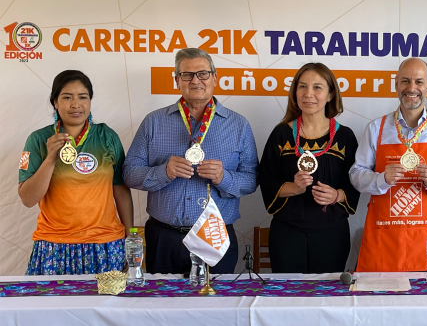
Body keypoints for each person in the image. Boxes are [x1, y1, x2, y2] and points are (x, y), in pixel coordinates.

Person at [124, 48, 258, 274]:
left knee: (215, 306)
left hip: (215, 233)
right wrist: (163, 172)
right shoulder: (153, 122)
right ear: (177, 80)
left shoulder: (238, 125)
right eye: (187, 75)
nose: (196, 80)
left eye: (203, 74)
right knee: (163, 305)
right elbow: (129, 174)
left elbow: (252, 179)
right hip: (163, 237)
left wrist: (224, 178)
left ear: (215, 78)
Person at [350, 57, 427, 272]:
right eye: (405, 81)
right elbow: (356, 174)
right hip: (385, 237)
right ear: (396, 84)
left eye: (419, 82)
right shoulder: (376, 128)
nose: (412, 88)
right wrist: (380, 178)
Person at [19, 70, 133, 275]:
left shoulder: (107, 136)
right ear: (55, 102)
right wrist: (51, 158)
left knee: (107, 307)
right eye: (67, 97)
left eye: (83, 97)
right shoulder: (38, 139)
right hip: (54, 246)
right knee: (51, 307)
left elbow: (121, 189)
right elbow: (28, 198)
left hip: (105, 244)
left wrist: (131, 236)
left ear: (90, 101)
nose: (75, 104)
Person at [258, 63, 360, 273]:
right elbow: (265, 179)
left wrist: (336, 195)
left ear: (331, 94)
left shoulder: (345, 137)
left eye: (317, 87)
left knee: (326, 299)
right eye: (302, 86)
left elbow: (357, 182)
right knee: (288, 298)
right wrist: (293, 188)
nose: (308, 94)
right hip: (287, 233)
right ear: (295, 92)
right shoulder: (281, 135)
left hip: (332, 234)